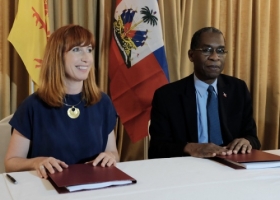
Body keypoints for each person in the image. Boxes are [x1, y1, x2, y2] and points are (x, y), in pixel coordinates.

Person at [5, 24, 119, 179]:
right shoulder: (32, 106)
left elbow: (113, 153)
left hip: (94, 188)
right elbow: (11, 163)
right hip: (48, 189)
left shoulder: (103, 102)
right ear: (57, 56)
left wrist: (110, 156)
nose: (86, 58)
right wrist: (36, 162)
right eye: (77, 49)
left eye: (89, 50)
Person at [148, 27, 261, 159]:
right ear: (191, 55)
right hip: (188, 167)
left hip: (231, 164)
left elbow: (253, 137)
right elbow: (157, 148)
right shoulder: (167, 96)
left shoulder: (238, 89)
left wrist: (247, 141)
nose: (214, 57)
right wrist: (190, 147)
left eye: (220, 51)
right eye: (207, 50)